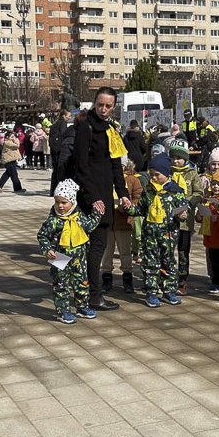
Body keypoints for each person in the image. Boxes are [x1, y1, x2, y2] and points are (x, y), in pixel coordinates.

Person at [73, 87, 132, 311]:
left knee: (97, 246)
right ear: (94, 103)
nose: (104, 109)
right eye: (100, 104)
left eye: (108, 106)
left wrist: (123, 194)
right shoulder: (85, 127)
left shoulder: (111, 129)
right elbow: (80, 167)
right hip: (90, 197)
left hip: (105, 196)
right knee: (91, 246)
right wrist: (92, 197)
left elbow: (116, 165)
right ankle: (93, 295)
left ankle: (89, 292)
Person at [37, 180, 106, 324]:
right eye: (57, 202)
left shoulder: (79, 217)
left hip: (79, 258)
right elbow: (42, 235)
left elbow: (90, 225)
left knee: (82, 283)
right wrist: (47, 250)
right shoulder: (53, 221)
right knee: (61, 285)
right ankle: (63, 311)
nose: (60, 206)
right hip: (59, 257)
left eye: (64, 202)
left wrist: (97, 212)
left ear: (72, 202)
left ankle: (82, 307)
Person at [129, 155, 188, 307]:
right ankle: (151, 292)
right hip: (149, 233)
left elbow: (182, 210)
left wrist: (182, 215)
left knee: (168, 261)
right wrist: (128, 208)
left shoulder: (176, 191)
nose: (154, 177)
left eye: (157, 174)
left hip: (168, 233)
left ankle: (169, 291)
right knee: (150, 263)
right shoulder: (148, 190)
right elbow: (140, 209)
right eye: (152, 174)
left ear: (166, 173)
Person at [168, 139, 204, 293]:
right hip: (168, 220)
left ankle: (182, 280)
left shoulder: (192, 172)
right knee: (167, 250)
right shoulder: (166, 171)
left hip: (185, 220)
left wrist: (188, 203)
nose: (176, 160)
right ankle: (166, 277)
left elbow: (199, 192)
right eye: (173, 157)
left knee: (183, 251)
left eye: (179, 158)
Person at [102, 157, 143, 294]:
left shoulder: (132, 180)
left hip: (123, 222)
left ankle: (127, 278)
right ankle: (106, 277)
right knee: (107, 252)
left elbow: (138, 197)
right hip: (107, 222)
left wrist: (129, 206)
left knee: (125, 252)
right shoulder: (106, 178)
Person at [199, 170, 219, 294]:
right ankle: (216, 281)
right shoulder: (208, 198)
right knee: (213, 260)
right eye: (213, 184)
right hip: (210, 236)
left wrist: (218, 217)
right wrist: (201, 213)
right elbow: (201, 216)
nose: (215, 187)